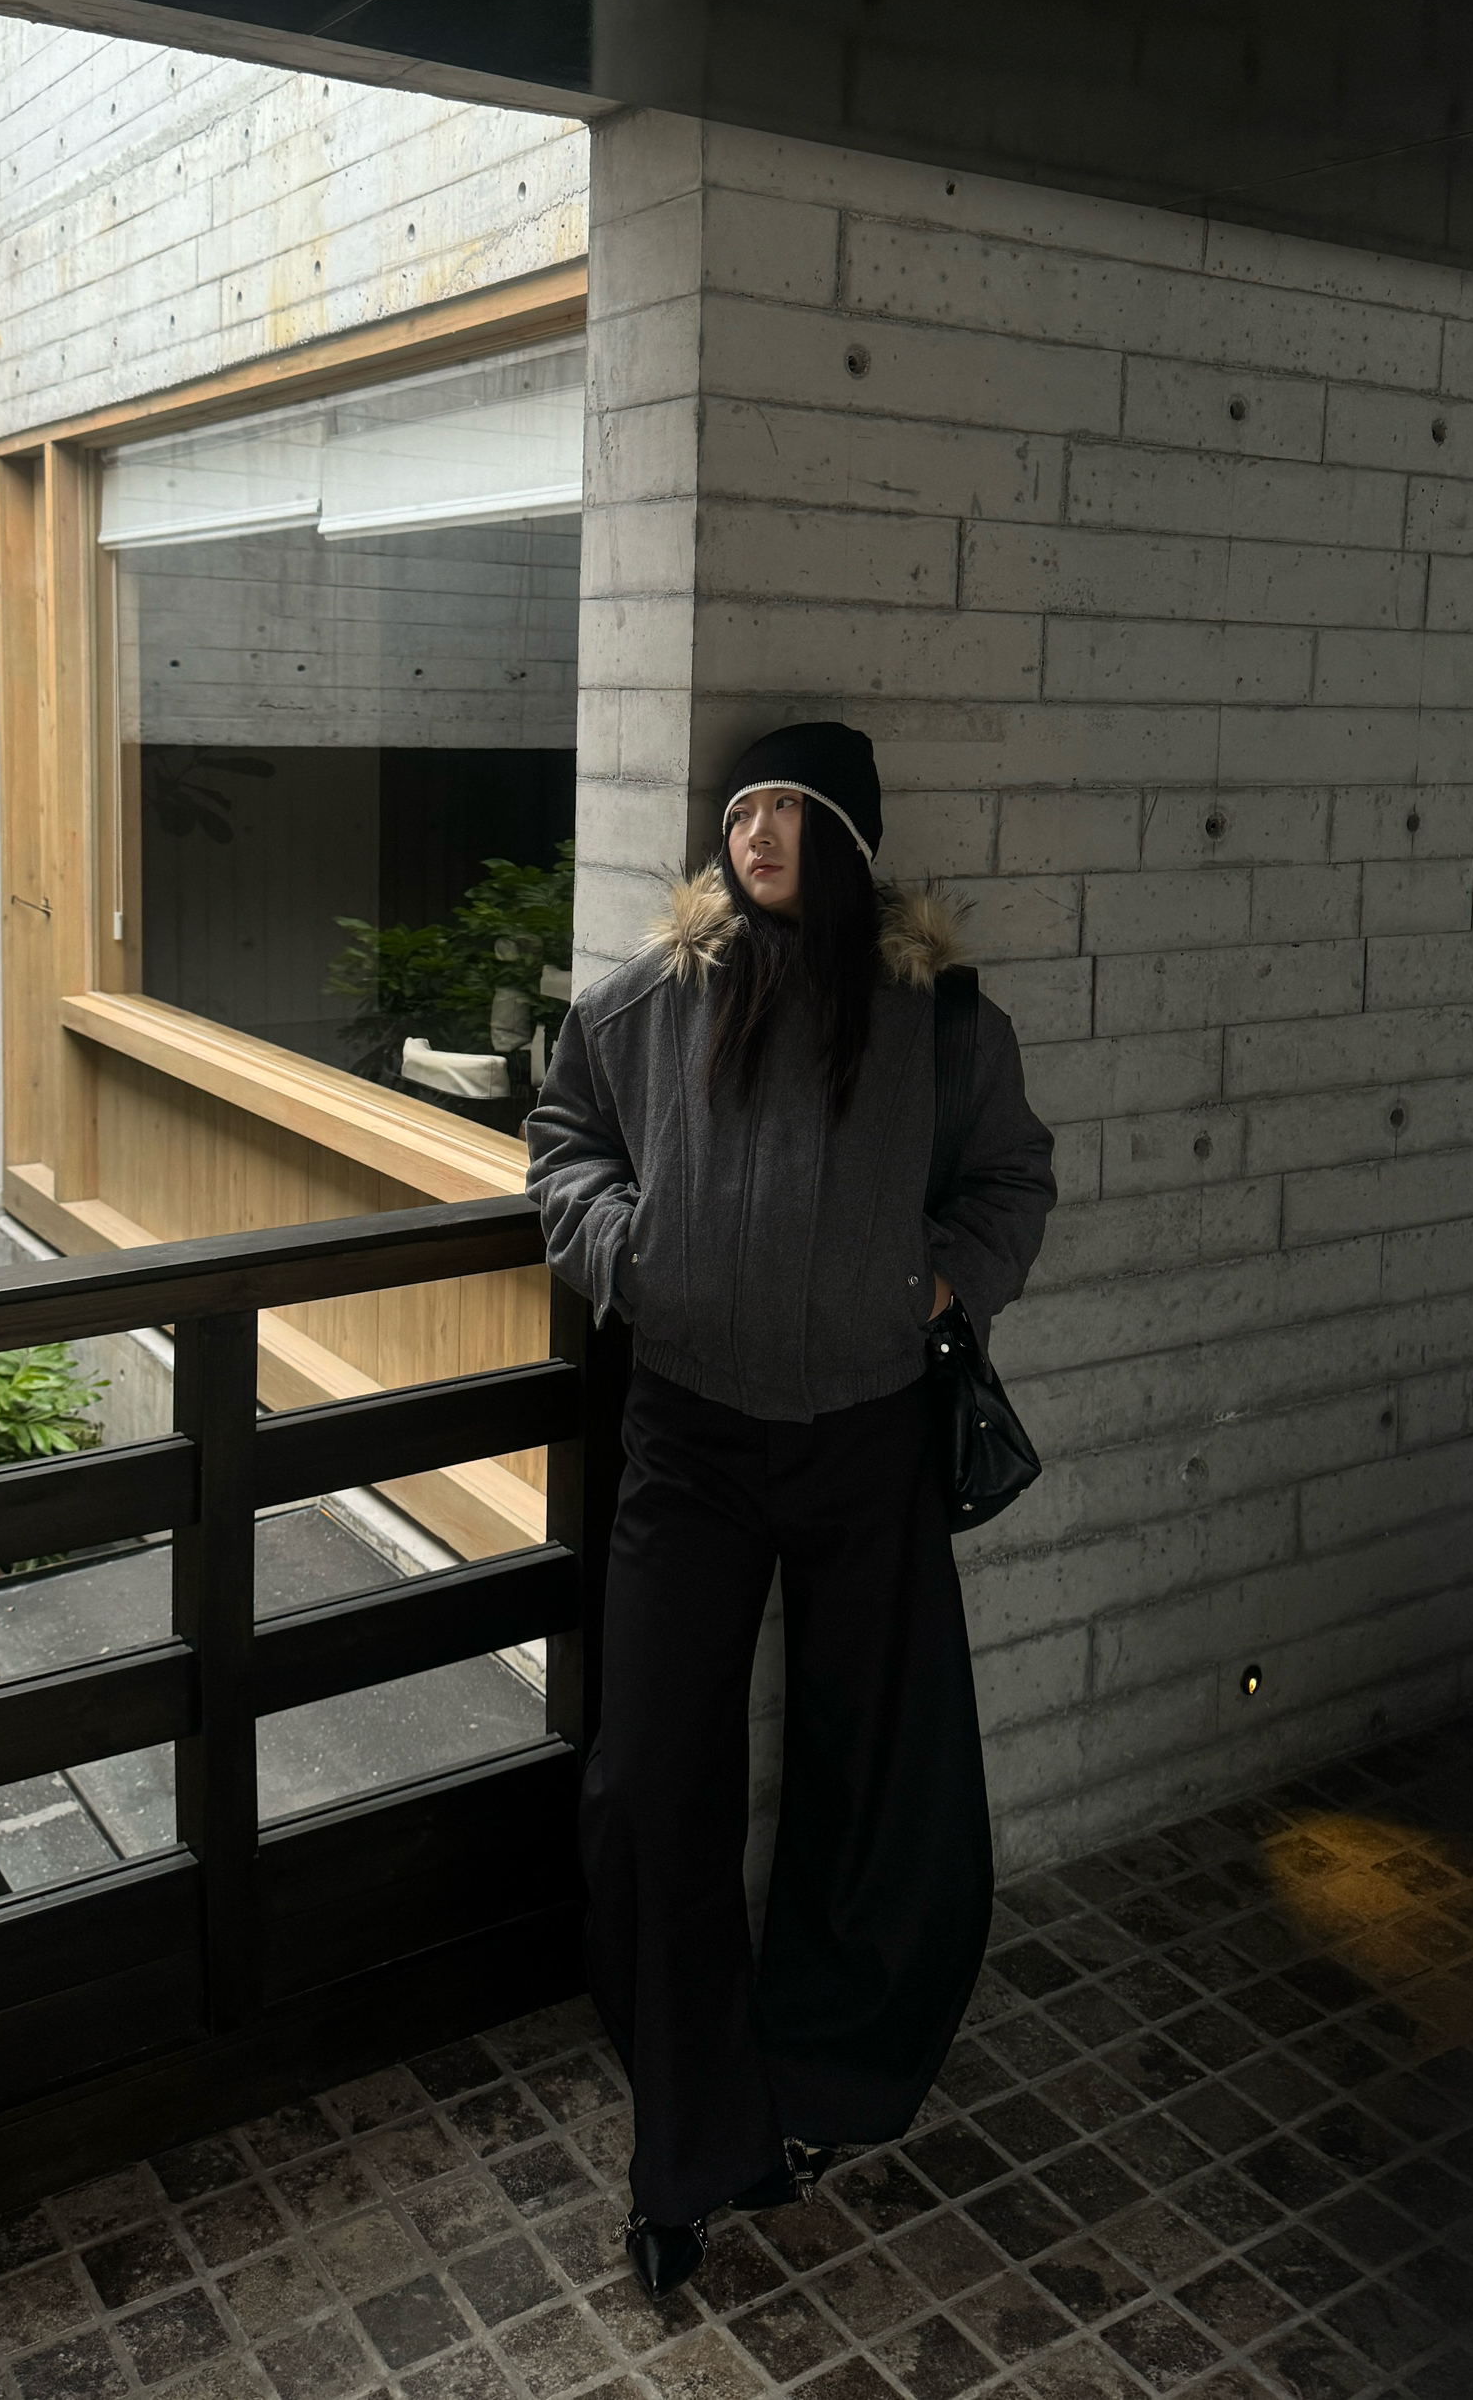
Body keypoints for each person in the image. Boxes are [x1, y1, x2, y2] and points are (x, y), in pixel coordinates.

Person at [523, 721, 1056, 2296]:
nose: (756, 831)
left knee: (883, 1772)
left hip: (867, 1435)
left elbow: (1010, 1181)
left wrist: (933, 1286)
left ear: (851, 841)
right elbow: (562, 1144)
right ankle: (687, 2142)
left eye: (794, 810)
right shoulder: (649, 1001)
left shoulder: (937, 1021)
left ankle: (831, 2075)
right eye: (743, 806)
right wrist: (631, 1257)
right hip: (686, 1439)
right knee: (650, 1781)